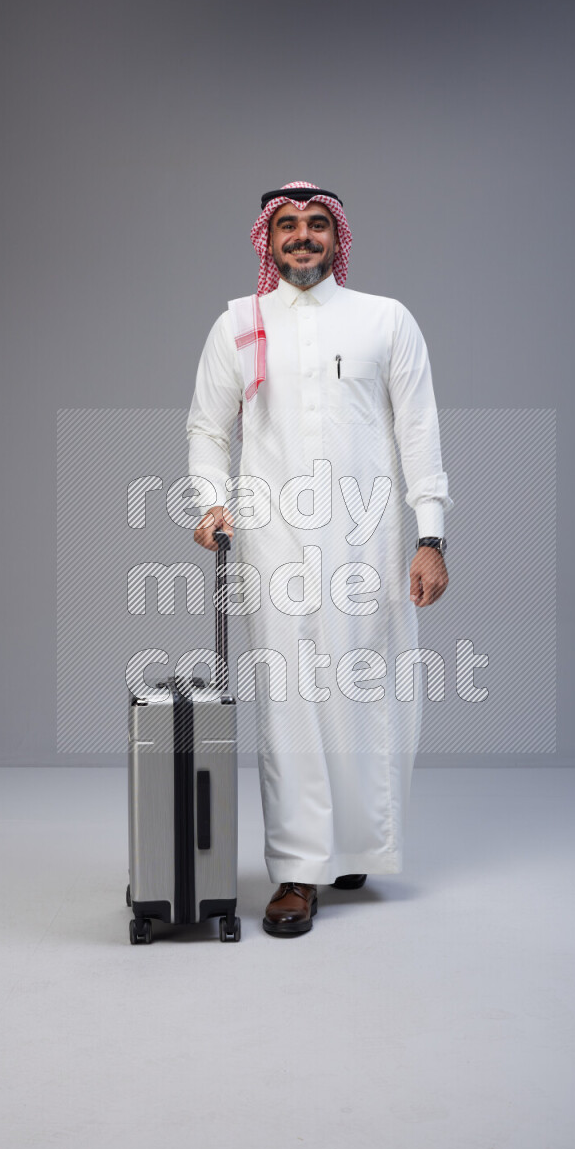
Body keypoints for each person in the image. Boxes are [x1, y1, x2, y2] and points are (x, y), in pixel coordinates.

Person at [187, 181, 452, 937]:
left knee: (365, 687)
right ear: (266, 242)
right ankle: (299, 870)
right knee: (288, 700)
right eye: (287, 227)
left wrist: (429, 535)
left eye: (315, 225)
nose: (302, 237)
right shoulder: (239, 322)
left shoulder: (384, 320)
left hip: (366, 536)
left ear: (336, 237)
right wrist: (211, 500)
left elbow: (420, 433)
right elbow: (207, 428)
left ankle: (358, 844)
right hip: (271, 533)